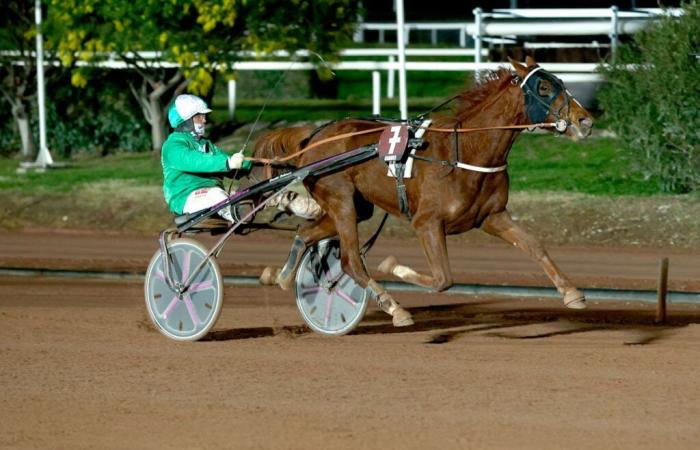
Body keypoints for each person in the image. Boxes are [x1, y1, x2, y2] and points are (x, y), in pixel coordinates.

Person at [161, 94, 322, 222]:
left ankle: (314, 210)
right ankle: (237, 214)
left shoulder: (205, 143)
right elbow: (195, 161)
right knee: (216, 195)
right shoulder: (173, 146)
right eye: (199, 116)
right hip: (185, 199)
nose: (204, 120)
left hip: (212, 196)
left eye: (203, 116)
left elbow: (227, 162)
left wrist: (254, 163)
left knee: (265, 188)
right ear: (186, 121)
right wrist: (227, 163)